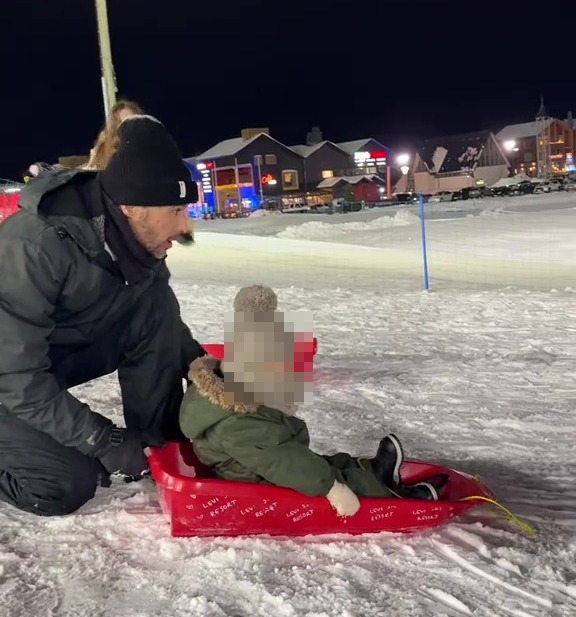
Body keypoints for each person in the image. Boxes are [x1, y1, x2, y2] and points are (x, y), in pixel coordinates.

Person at [0, 114, 205, 517]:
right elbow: (13, 374)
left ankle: (158, 445)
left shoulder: (137, 241)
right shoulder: (33, 246)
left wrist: (202, 365)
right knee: (63, 483)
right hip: (8, 374)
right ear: (130, 207)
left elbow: (159, 322)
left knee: (155, 303)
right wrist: (101, 439)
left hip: (40, 361)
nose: (185, 227)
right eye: (176, 211)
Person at [179, 285, 443, 518]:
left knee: (322, 462)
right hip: (260, 483)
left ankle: (371, 469)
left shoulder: (232, 399)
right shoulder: (238, 425)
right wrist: (331, 489)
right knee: (321, 477)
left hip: (259, 464)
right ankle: (394, 495)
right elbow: (284, 463)